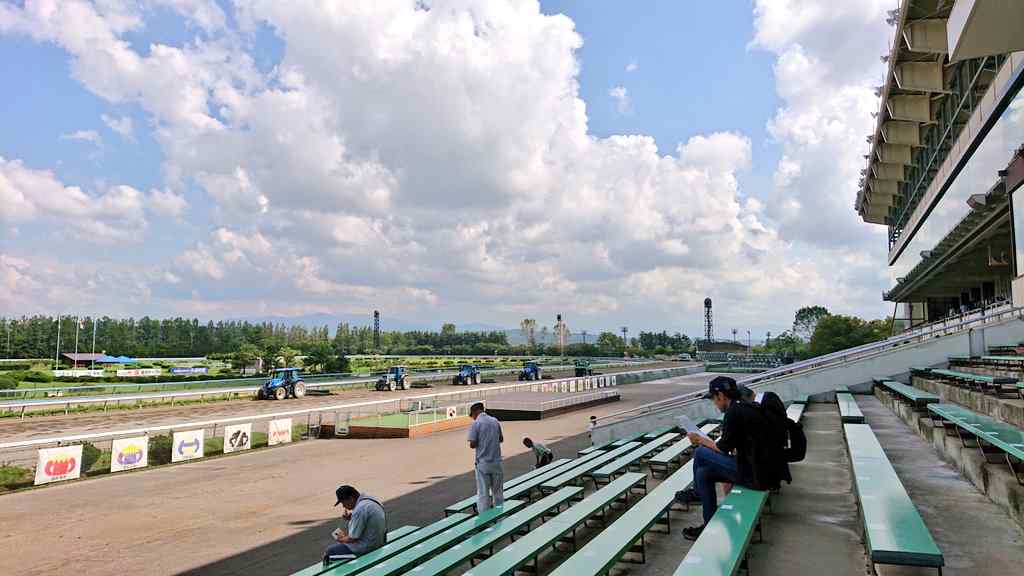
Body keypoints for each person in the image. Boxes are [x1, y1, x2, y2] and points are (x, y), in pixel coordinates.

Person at [675, 376, 784, 541]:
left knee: (700, 452)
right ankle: (709, 524)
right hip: (762, 471)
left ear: (721, 396)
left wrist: (699, 440)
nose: (715, 404)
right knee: (703, 474)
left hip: (756, 476)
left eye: (713, 400)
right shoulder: (745, 407)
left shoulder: (734, 412)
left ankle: (697, 493)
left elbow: (723, 449)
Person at [324, 485, 386, 564]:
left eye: (343, 502)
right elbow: (366, 520)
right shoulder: (370, 499)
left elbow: (353, 538)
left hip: (369, 547)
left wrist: (341, 538)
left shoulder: (359, 509)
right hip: (379, 541)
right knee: (339, 549)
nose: (343, 506)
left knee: (330, 552)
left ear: (350, 498)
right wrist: (351, 518)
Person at [468, 402, 504, 513]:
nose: (472, 417)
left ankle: (484, 520)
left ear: (475, 412)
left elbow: (472, 444)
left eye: (472, 415)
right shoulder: (494, 421)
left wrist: (481, 441)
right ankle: (500, 518)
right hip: (496, 462)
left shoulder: (476, 424)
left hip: (483, 463)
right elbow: (501, 439)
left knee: (483, 493)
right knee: (498, 493)